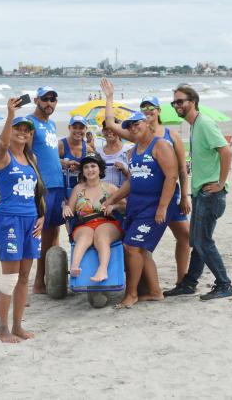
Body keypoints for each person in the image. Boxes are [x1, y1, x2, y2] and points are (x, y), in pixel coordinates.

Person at [100, 79, 191, 289]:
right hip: (147, 200)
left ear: (158, 111)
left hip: (171, 197)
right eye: (144, 108)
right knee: (141, 244)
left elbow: (179, 171)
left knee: (184, 236)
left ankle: (182, 279)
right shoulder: (138, 135)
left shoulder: (170, 135)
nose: (147, 111)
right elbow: (112, 124)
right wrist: (110, 98)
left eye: (151, 108)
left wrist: (184, 196)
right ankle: (148, 285)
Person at [103, 112, 180, 308]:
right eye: (129, 126)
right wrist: (112, 199)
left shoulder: (160, 145)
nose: (133, 128)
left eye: (136, 124)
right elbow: (132, 181)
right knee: (142, 250)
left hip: (155, 206)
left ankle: (132, 294)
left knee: (132, 247)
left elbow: (171, 177)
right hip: (137, 205)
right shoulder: (133, 151)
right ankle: (155, 292)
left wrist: (162, 207)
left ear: (146, 123)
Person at [168, 84, 232, 300]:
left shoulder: (204, 123)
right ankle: (189, 283)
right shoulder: (194, 125)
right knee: (198, 240)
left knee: (202, 241)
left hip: (210, 194)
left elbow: (225, 151)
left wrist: (220, 182)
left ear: (193, 102)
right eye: (174, 102)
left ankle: (224, 284)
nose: (176, 105)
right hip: (201, 193)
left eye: (180, 101)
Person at [0, 97, 45, 342]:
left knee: (25, 276)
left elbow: (37, 193)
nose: (23, 133)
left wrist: (42, 217)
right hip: (10, 220)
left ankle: (17, 326)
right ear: (11, 132)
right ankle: (2, 330)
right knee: (10, 277)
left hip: (31, 222)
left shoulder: (30, 160)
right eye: (18, 129)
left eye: (26, 130)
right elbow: (2, 143)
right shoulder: (4, 157)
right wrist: (11, 114)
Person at [26, 86, 66, 294]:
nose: (49, 103)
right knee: (40, 234)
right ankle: (38, 282)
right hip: (43, 187)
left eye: (53, 99)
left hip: (57, 184)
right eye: (45, 99)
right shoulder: (30, 123)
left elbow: (47, 155)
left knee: (54, 233)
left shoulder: (50, 125)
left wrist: (63, 163)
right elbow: (28, 154)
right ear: (36, 100)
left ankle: (50, 277)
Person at [62, 154, 125, 282]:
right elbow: (70, 207)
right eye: (86, 167)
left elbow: (126, 207)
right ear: (83, 171)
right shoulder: (78, 189)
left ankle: (102, 270)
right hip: (84, 224)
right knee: (85, 235)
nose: (90, 170)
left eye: (93, 166)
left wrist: (114, 206)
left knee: (101, 236)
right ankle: (74, 267)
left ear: (100, 169)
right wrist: (65, 208)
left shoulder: (110, 187)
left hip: (106, 222)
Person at [59, 115, 94, 198]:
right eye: (75, 127)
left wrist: (80, 168)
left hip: (82, 191)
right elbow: (51, 162)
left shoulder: (88, 149)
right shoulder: (61, 144)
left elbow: (94, 169)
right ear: (69, 128)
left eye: (81, 128)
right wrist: (63, 163)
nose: (78, 130)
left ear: (86, 129)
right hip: (62, 189)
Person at [99, 119, 131, 187]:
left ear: (119, 131)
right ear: (103, 131)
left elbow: (136, 176)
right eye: (106, 129)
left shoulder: (128, 150)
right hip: (102, 194)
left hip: (122, 195)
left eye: (113, 129)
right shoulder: (98, 152)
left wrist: (124, 168)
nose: (109, 131)